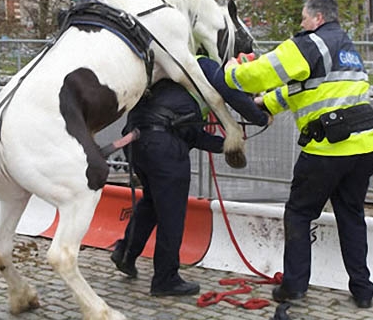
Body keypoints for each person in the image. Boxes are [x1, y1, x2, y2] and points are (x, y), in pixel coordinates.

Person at [222, 0, 373, 308]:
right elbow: (309, 88)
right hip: (366, 146)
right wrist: (268, 103)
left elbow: (262, 73)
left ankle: (294, 286)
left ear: (318, 18)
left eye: (303, 18)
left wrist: (232, 73)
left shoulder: (311, 43)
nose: (300, 24)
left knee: (299, 213)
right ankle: (363, 290)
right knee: (351, 216)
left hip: (328, 148)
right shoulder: (346, 48)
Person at [111, 60, 270, 297]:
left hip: (137, 141)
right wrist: (261, 117)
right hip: (163, 145)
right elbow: (235, 96)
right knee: (172, 214)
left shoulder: (176, 74)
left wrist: (226, 145)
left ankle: (125, 253)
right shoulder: (205, 66)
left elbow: (191, 134)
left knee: (152, 203)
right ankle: (165, 279)